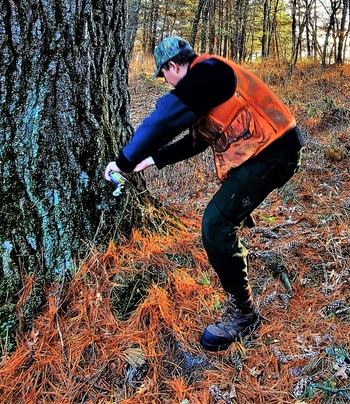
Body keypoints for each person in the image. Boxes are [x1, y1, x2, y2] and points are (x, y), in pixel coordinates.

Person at [104, 37, 304, 352]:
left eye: (164, 75)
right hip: (265, 153)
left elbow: (163, 119)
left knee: (215, 224)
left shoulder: (209, 72)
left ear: (172, 67)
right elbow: (198, 139)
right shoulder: (209, 80)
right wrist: (152, 159)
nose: (167, 83)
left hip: (274, 153)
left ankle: (243, 313)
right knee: (221, 221)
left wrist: (123, 162)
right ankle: (238, 281)